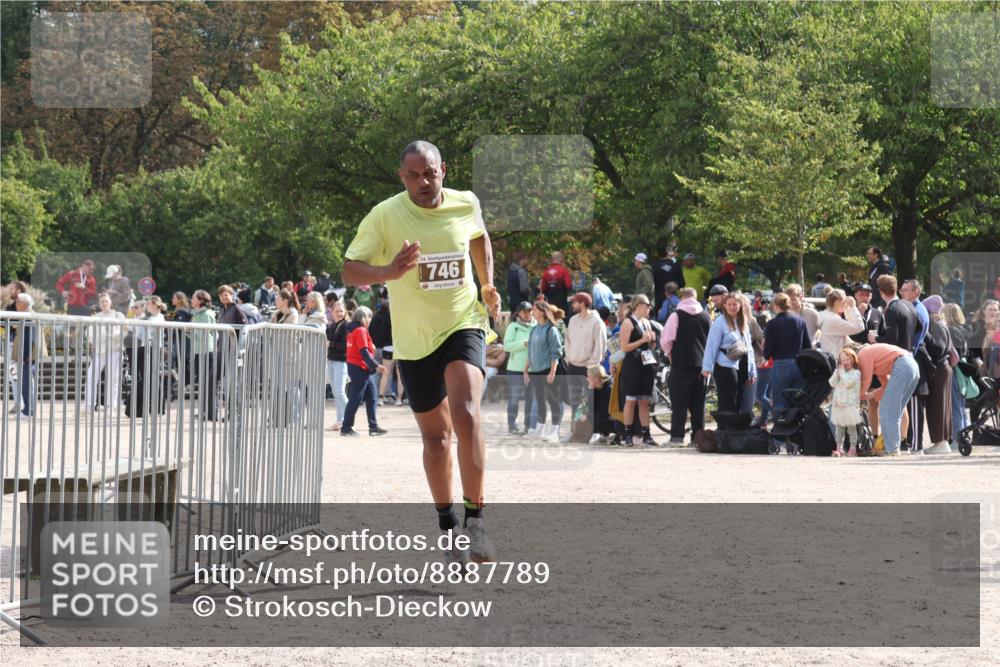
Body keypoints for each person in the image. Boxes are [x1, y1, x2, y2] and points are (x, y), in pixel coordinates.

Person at [341, 140, 501, 563]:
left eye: (429, 173)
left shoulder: (466, 203)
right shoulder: (386, 215)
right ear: (402, 176)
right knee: (437, 437)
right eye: (413, 175)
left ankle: (477, 520)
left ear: (442, 169)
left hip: (463, 321)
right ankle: (447, 523)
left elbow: (479, 237)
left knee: (466, 414)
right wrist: (388, 271)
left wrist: (487, 285)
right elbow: (349, 268)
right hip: (414, 339)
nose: (423, 182)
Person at [660, 286, 711, 444]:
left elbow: (666, 340)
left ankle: (677, 437)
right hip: (701, 365)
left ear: (682, 298)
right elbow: (712, 341)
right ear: (695, 298)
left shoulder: (676, 316)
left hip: (680, 364)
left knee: (679, 403)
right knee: (699, 404)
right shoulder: (706, 316)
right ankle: (698, 438)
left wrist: (670, 355)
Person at [702, 292, 757, 421]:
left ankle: (736, 433)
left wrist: (752, 371)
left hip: (742, 365)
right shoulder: (719, 323)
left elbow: (749, 349)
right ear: (725, 306)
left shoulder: (742, 322)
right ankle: (725, 432)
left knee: (740, 401)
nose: (732, 307)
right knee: (727, 402)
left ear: (740, 305)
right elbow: (711, 345)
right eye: (729, 304)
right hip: (725, 366)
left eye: (735, 304)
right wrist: (707, 367)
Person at [859, 343, 920, 456]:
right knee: (895, 410)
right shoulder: (877, 357)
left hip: (903, 365)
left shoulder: (863, 353)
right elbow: (886, 386)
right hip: (913, 366)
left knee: (887, 410)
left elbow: (866, 381)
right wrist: (869, 395)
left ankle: (892, 449)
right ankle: (894, 446)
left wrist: (857, 396)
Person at [617, 294, 659, 447]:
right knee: (630, 401)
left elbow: (650, 347)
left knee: (644, 401)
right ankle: (627, 434)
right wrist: (642, 340)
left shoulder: (647, 323)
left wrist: (652, 341)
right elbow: (624, 347)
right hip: (632, 365)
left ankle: (646, 434)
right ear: (639, 305)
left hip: (646, 365)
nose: (649, 308)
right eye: (648, 305)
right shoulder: (628, 323)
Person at [340, 306, 389, 437]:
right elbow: (364, 352)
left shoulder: (353, 330)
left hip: (359, 367)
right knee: (355, 398)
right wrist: (376, 365)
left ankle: (373, 426)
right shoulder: (360, 330)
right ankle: (346, 428)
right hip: (359, 367)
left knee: (372, 396)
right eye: (369, 317)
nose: (370, 320)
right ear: (364, 317)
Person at [762, 293, 811, 421]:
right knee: (797, 401)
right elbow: (808, 346)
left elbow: (767, 353)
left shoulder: (772, 324)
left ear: (776, 306)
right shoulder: (800, 321)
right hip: (799, 364)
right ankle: (795, 433)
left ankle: (780, 437)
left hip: (781, 365)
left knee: (780, 402)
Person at [525, 301, 565, 443]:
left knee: (553, 401)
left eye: (534, 309)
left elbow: (556, 353)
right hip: (535, 371)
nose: (532, 312)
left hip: (548, 370)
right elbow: (530, 352)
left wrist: (552, 372)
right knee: (540, 400)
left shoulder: (551, 330)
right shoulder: (534, 329)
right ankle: (540, 428)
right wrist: (526, 370)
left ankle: (554, 431)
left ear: (542, 312)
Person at [920, 296, 955, 455]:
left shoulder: (937, 327)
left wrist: (924, 333)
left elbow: (938, 349)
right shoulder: (941, 325)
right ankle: (943, 441)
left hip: (940, 369)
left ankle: (941, 442)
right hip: (943, 369)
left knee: (937, 407)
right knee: (941, 406)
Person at [85, 292, 127, 413]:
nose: (104, 303)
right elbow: (89, 334)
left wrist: (113, 336)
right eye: (102, 301)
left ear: (110, 302)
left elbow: (125, 331)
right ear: (99, 303)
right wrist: (100, 338)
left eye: (106, 301)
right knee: (91, 376)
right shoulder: (95, 317)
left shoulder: (118, 315)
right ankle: (89, 405)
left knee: (113, 378)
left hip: (115, 349)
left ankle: (111, 406)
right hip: (100, 350)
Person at [502, 301, 536, 435]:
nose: (528, 314)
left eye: (529, 311)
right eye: (524, 311)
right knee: (514, 398)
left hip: (533, 369)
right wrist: (523, 344)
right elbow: (507, 346)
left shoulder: (536, 326)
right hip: (515, 369)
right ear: (519, 313)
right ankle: (512, 425)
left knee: (531, 399)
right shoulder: (513, 327)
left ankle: (528, 425)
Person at [130, 296, 167, 416]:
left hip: (154, 348)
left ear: (155, 305)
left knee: (153, 376)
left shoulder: (159, 318)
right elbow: (140, 333)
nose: (147, 306)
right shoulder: (150, 318)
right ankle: (149, 406)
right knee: (147, 377)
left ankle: (158, 406)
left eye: (149, 304)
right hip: (146, 348)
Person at [11, 293, 47, 418]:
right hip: (28, 357)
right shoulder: (28, 315)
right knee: (26, 383)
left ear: (24, 304)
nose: (15, 304)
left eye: (17, 301)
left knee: (27, 384)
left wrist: (24, 358)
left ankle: (28, 411)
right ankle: (28, 409)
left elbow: (28, 340)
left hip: (28, 357)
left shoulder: (29, 317)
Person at [941, 303, 970, 444]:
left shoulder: (951, 330)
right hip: (963, 369)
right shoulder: (963, 329)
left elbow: (954, 354)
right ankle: (965, 436)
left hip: (955, 369)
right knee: (961, 405)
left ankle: (958, 439)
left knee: (955, 405)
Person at [829, 347, 864, 457]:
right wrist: (836, 372)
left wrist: (842, 373)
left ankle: (853, 448)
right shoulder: (840, 373)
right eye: (842, 360)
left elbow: (848, 383)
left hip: (850, 405)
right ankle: (839, 448)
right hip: (839, 405)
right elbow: (831, 383)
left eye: (847, 359)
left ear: (853, 359)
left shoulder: (856, 373)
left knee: (851, 428)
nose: (845, 362)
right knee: (839, 428)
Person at [564, 292, 607, 378]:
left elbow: (600, 346)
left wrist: (590, 366)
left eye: (575, 302)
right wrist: (568, 359)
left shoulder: (597, 322)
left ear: (582, 304)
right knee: (571, 392)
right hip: (571, 366)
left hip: (587, 369)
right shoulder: (572, 320)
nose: (572, 305)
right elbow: (567, 341)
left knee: (586, 392)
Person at [189, 290, 218, 420]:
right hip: (198, 351)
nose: (191, 300)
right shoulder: (197, 314)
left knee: (208, 383)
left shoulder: (206, 314)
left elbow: (204, 335)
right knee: (203, 383)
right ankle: (205, 411)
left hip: (206, 352)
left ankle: (211, 412)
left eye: (194, 298)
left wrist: (191, 329)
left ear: (200, 300)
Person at [325, 301, 350, 431]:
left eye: (341, 311)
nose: (339, 313)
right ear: (332, 313)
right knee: (335, 392)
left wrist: (331, 344)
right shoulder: (332, 325)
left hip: (341, 361)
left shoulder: (346, 326)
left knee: (340, 392)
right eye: (337, 311)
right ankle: (340, 420)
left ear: (345, 312)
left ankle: (349, 418)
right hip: (331, 361)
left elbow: (345, 345)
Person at [815, 289, 864, 354]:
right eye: (844, 300)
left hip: (828, 356)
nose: (846, 302)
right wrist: (853, 307)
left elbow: (851, 324)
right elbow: (860, 327)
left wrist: (847, 310)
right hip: (836, 359)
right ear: (837, 302)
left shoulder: (822, 315)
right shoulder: (833, 319)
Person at [5, 282, 28, 414]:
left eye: (12, 289)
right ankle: (18, 403)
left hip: (22, 344)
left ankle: (25, 404)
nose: (10, 291)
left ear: (18, 290)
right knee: (13, 375)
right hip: (12, 343)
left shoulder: (27, 306)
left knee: (23, 375)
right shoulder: (9, 307)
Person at [585, 364, 614, 444]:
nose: (587, 379)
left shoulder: (608, 388)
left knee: (593, 416)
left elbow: (606, 411)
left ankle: (599, 434)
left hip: (615, 419)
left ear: (596, 378)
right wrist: (591, 392)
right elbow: (590, 406)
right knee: (587, 414)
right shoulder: (597, 387)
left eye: (589, 377)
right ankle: (601, 434)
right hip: (603, 417)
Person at [652, 244, 684, 312]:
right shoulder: (676, 266)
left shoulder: (653, 266)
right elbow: (682, 283)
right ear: (667, 254)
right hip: (672, 298)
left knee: (659, 319)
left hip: (657, 299)